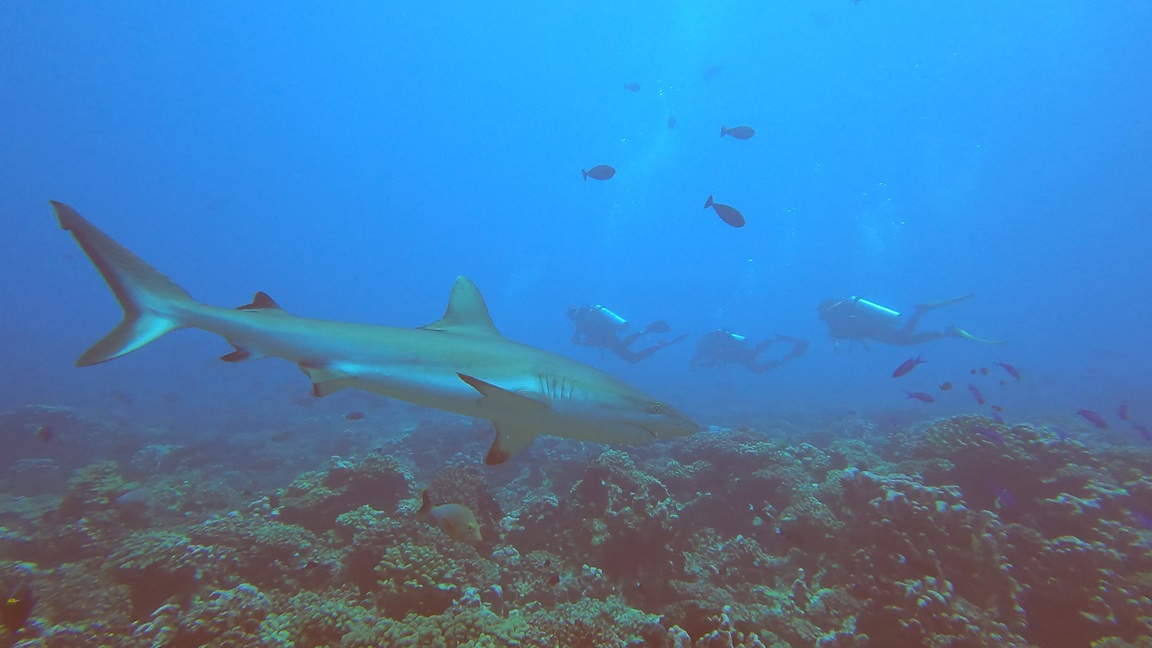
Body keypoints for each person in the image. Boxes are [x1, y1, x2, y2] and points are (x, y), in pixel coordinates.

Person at [817, 293, 997, 348]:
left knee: (904, 339)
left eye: (820, 311)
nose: (820, 314)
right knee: (905, 339)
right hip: (873, 327)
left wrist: (836, 337)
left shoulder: (835, 317)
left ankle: (921, 313)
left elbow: (845, 331)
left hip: (873, 328)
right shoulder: (838, 314)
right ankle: (946, 332)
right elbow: (849, 331)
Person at [566, 304, 687, 363]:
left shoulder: (580, 321)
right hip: (610, 336)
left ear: (573, 315)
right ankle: (653, 339)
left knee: (631, 357)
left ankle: (650, 337)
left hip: (608, 339)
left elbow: (587, 338)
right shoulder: (588, 315)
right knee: (630, 355)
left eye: (571, 318)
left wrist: (581, 342)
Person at [690, 329, 809, 373]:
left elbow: (698, 358)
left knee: (757, 361)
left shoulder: (706, 348)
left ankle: (777, 344)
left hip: (739, 356)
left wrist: (695, 364)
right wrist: (701, 364)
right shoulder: (711, 346)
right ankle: (778, 346)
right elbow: (712, 362)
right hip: (739, 355)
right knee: (757, 361)